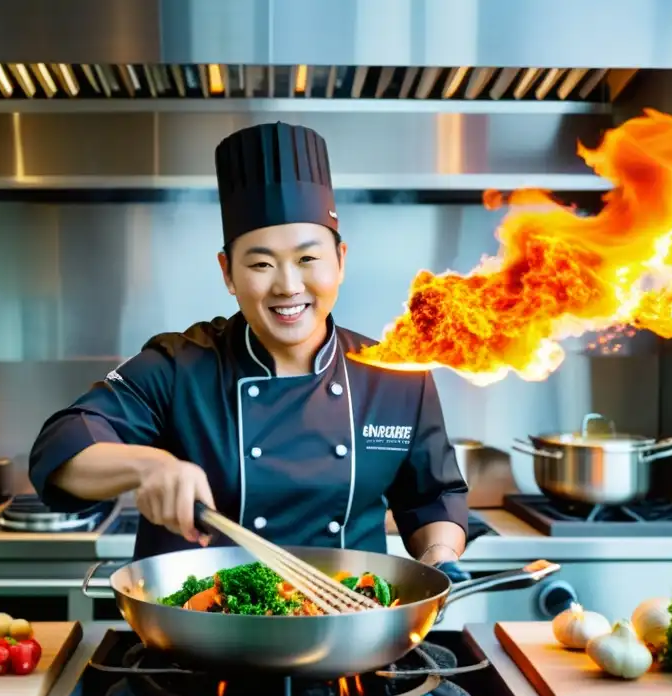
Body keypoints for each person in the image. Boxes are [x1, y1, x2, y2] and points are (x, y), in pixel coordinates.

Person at [29, 122, 473, 569]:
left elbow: (434, 496)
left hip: (353, 627)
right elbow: (60, 448)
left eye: (308, 259)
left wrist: (440, 555)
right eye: (261, 263)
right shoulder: (178, 367)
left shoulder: (395, 376)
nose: (288, 285)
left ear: (340, 261)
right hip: (201, 630)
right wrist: (149, 466)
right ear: (228, 273)